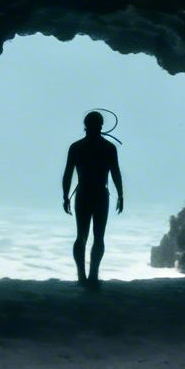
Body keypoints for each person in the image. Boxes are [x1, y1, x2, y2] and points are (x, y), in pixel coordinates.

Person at [61, 111, 124, 288]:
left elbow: (67, 174)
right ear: (101, 125)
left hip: (83, 194)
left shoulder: (76, 147)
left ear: (85, 125)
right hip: (100, 195)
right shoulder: (108, 148)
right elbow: (116, 174)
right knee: (98, 236)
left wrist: (65, 196)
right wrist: (120, 195)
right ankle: (93, 275)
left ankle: (82, 276)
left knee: (81, 235)